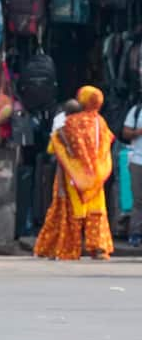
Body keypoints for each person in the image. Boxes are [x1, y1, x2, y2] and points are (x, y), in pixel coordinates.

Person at [34, 86, 115, 260]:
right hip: (96, 178)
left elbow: (53, 146)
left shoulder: (70, 123)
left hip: (72, 177)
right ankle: (99, 248)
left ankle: (67, 249)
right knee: (97, 213)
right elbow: (107, 146)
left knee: (68, 213)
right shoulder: (101, 123)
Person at [123, 102, 142, 247]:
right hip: (138, 160)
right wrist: (138, 132)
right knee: (138, 200)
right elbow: (126, 133)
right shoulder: (136, 110)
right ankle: (136, 233)